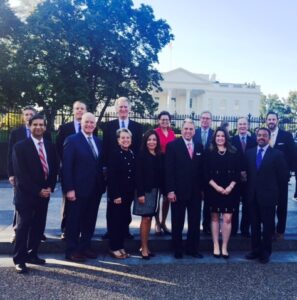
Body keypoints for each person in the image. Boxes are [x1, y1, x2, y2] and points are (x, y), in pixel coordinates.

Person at [12, 114, 58, 274]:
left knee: (39, 226)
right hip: (26, 194)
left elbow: (53, 169)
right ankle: (19, 259)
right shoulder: (20, 147)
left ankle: (33, 254)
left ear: (45, 127)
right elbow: (21, 174)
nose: (38, 127)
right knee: (23, 227)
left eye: (41, 124)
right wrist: (38, 190)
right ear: (29, 126)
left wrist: (49, 187)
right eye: (35, 124)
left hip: (44, 195)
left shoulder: (50, 146)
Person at [62, 112, 105, 262]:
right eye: (87, 122)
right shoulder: (72, 140)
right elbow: (66, 167)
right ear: (81, 122)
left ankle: (85, 247)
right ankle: (72, 250)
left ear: (95, 125)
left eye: (92, 123)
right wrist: (69, 189)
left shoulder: (98, 141)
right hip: (77, 190)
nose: (89, 125)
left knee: (90, 220)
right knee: (74, 221)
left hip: (95, 189)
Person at [7, 106, 51, 243]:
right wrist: (11, 174)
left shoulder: (45, 134)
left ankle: (37, 234)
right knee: (21, 208)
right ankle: (17, 230)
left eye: (30, 114)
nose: (28, 116)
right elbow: (10, 155)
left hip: (40, 179)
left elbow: (51, 161)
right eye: (26, 114)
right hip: (22, 178)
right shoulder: (16, 133)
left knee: (39, 213)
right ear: (23, 117)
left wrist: (50, 185)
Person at [102, 96, 143, 240]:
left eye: (126, 107)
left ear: (130, 109)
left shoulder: (137, 127)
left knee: (126, 204)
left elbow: (138, 150)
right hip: (114, 172)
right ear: (116, 109)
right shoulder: (108, 126)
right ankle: (111, 230)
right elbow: (105, 149)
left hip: (130, 173)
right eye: (121, 107)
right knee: (112, 202)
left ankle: (125, 229)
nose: (123, 109)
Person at [245, 128, 288, 264]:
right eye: (259, 135)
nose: (261, 137)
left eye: (264, 135)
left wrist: (278, 197)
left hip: (269, 197)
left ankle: (265, 252)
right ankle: (255, 250)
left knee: (268, 226)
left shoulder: (277, 154)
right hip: (252, 196)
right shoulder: (249, 153)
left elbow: (283, 177)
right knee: (255, 225)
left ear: (269, 138)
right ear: (256, 137)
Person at [166, 118, 204, 259]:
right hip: (178, 191)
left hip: (195, 192)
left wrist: (202, 190)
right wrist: (170, 190)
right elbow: (168, 170)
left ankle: (192, 249)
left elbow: (201, 170)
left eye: (191, 129)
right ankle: (177, 249)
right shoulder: (173, 146)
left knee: (194, 222)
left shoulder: (199, 147)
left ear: (194, 131)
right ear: (181, 130)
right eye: (186, 129)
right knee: (177, 221)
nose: (188, 131)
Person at [204, 127, 240, 258]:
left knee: (227, 218)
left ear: (226, 138)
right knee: (214, 217)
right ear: (214, 137)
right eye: (218, 136)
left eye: (222, 136)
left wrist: (230, 187)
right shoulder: (208, 152)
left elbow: (238, 172)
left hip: (230, 189)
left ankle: (224, 246)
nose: (220, 138)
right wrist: (217, 187)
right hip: (214, 189)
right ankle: (216, 245)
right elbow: (205, 173)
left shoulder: (234, 152)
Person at [56, 100, 87, 240]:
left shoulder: (90, 127)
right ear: (73, 111)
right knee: (68, 202)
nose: (80, 111)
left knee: (81, 204)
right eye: (77, 108)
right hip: (69, 171)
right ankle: (65, 229)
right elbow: (58, 149)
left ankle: (79, 229)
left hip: (84, 173)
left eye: (82, 108)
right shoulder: (65, 128)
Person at [265, 112, 295, 239]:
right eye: (269, 119)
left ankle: (280, 230)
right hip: (266, 177)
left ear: (277, 120)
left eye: (273, 119)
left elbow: (293, 154)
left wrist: (290, 171)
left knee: (282, 204)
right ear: (266, 121)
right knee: (269, 204)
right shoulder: (262, 134)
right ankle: (269, 229)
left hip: (281, 177)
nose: (271, 121)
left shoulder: (286, 136)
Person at [107, 128, 136, 259]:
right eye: (123, 138)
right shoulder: (114, 154)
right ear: (118, 140)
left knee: (124, 221)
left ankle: (120, 246)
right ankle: (114, 247)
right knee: (115, 222)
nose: (125, 140)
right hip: (117, 195)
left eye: (128, 138)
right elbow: (112, 177)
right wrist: (115, 195)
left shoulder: (131, 153)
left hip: (128, 194)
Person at [134, 130, 162, 259]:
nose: (152, 142)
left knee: (150, 218)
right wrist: (140, 194)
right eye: (149, 139)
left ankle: (145, 246)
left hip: (155, 192)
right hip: (144, 192)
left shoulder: (159, 155)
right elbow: (138, 176)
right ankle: (144, 247)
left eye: (154, 140)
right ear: (145, 141)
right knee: (145, 219)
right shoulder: (141, 155)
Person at [231, 117, 257, 237]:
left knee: (248, 204)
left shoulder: (254, 140)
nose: (242, 126)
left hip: (249, 178)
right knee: (234, 204)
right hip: (235, 178)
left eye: (244, 124)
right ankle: (233, 229)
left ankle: (245, 229)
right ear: (237, 126)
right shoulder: (231, 140)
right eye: (240, 124)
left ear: (248, 126)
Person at [154, 111, 175, 235]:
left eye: (167, 119)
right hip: (158, 166)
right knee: (157, 197)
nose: (165, 121)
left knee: (167, 198)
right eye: (162, 119)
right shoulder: (155, 132)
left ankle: (163, 222)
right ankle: (157, 223)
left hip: (169, 168)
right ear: (159, 120)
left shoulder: (172, 133)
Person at [193, 111, 214, 235]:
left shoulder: (214, 134)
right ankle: (194, 225)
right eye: (203, 118)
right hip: (196, 173)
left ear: (211, 120)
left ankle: (206, 225)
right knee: (195, 201)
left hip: (210, 172)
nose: (205, 120)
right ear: (200, 120)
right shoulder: (194, 132)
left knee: (209, 201)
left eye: (208, 118)